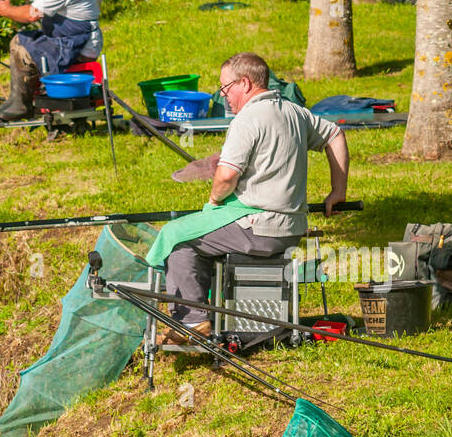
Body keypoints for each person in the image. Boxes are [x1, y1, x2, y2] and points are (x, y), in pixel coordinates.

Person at [146, 52, 350, 344]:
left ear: (245, 82)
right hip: (292, 228)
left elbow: (227, 176)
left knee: (178, 239)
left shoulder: (247, 119)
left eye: (225, 88)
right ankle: (208, 313)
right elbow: (336, 136)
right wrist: (338, 191)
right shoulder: (295, 112)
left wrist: (214, 203)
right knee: (200, 236)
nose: (224, 96)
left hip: (259, 228)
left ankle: (192, 322)